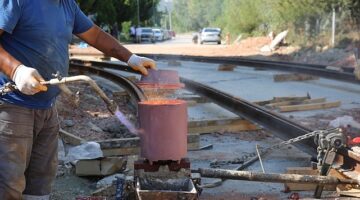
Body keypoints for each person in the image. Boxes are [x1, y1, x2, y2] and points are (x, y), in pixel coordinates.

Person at [0, 1, 156, 199]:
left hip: (47, 108)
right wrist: (16, 70)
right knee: (9, 184)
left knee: (40, 182)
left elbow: (96, 35)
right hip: (12, 107)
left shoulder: (66, 4)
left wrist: (130, 58)